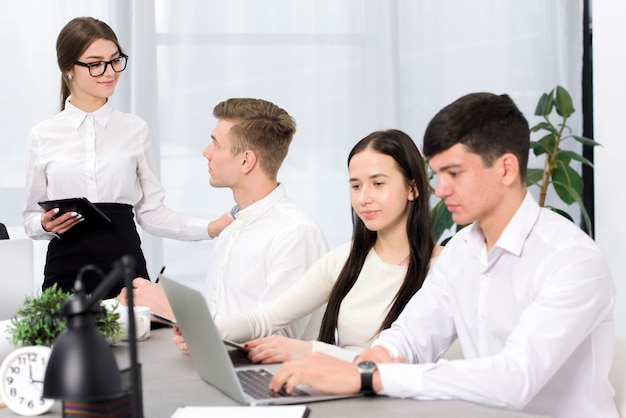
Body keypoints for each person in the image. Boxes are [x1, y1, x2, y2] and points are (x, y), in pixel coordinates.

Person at [269, 93, 618, 418]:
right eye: (436, 174)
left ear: (507, 169)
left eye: (454, 173)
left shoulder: (572, 260)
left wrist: (369, 379)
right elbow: (409, 336)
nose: (439, 189)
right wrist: (375, 360)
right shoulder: (461, 254)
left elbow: (515, 378)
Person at [173, 129, 441, 363]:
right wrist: (204, 330)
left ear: (413, 189)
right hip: (343, 394)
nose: (364, 198)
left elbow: (404, 365)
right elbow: (266, 318)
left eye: (378, 184)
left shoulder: (443, 269)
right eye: (356, 186)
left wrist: (310, 351)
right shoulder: (345, 260)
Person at [23, 17, 232, 299]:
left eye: (115, 60)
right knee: (64, 341)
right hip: (65, 272)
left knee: (139, 342)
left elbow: (151, 213)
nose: (109, 72)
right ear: (69, 69)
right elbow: (31, 219)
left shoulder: (135, 129)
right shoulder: (42, 135)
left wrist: (210, 227)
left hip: (125, 271)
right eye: (95, 63)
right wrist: (44, 225)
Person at [121, 98, 329, 339]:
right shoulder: (233, 229)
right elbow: (222, 318)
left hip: (270, 374)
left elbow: (276, 342)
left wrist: (173, 308)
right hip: (223, 368)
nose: (206, 152)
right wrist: (154, 308)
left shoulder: (295, 233)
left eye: (216, 144)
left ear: (246, 161)